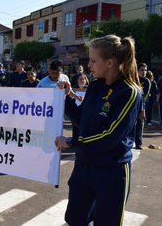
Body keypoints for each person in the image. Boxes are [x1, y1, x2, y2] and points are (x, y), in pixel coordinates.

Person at [55, 35, 142, 226]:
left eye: (93, 61)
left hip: (111, 173)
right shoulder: (95, 86)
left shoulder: (129, 92)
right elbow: (83, 121)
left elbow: (110, 137)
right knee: (75, 219)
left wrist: (71, 142)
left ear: (109, 62)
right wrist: (67, 97)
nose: (89, 66)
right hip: (84, 167)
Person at [135, 63, 151, 149]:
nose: (144, 72)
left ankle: (138, 142)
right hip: (133, 106)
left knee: (140, 125)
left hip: (141, 106)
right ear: (137, 71)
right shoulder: (134, 79)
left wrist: (142, 109)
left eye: (145, 70)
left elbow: (145, 96)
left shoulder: (147, 82)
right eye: (142, 70)